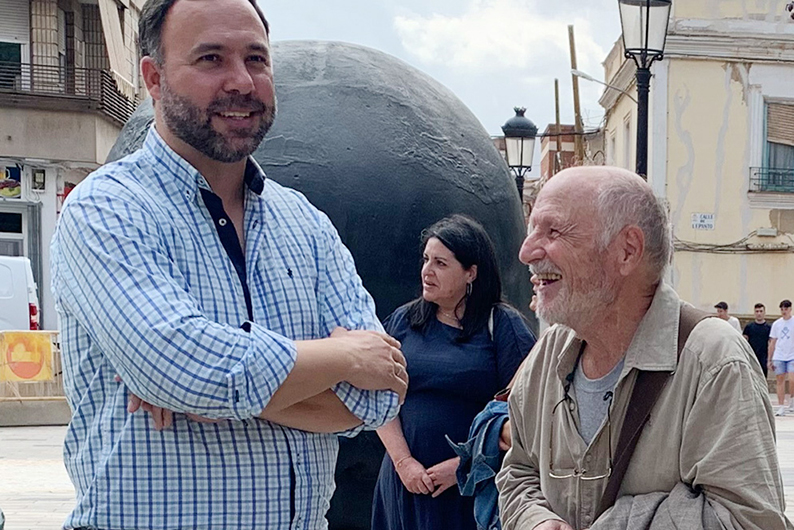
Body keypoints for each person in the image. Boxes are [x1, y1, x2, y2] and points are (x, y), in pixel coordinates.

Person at [49, 0, 408, 528]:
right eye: (211, 58)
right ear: (154, 78)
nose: (241, 81)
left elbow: (380, 397)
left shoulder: (305, 224)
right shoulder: (107, 209)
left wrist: (210, 389)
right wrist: (340, 357)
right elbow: (182, 368)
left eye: (256, 59)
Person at [496, 166, 791, 530]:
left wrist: (615, 523)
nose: (526, 252)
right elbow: (518, 472)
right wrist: (536, 522)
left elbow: (749, 520)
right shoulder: (549, 352)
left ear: (627, 251)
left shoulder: (714, 360)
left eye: (553, 231)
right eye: (531, 231)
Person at [371, 215, 535, 530]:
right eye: (426, 260)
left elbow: (523, 414)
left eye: (441, 264)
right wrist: (404, 463)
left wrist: (464, 466)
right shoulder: (403, 322)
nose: (427, 272)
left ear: (471, 272)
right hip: (403, 484)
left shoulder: (502, 327)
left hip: (471, 490)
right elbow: (380, 397)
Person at [770, 299, 794, 416]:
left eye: (786, 309)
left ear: (790, 309)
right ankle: (781, 406)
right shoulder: (776, 324)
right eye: (782, 309)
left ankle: (792, 400)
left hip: (792, 355)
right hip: (779, 355)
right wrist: (770, 359)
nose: (784, 311)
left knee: (792, 378)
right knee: (780, 380)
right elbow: (773, 341)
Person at [743, 303, 771, 377]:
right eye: (757, 311)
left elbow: (771, 343)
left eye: (761, 311)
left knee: (763, 378)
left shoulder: (769, 328)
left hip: (764, 357)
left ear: (764, 312)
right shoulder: (749, 327)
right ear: (754, 313)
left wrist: (770, 358)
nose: (759, 313)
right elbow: (744, 341)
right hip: (751, 356)